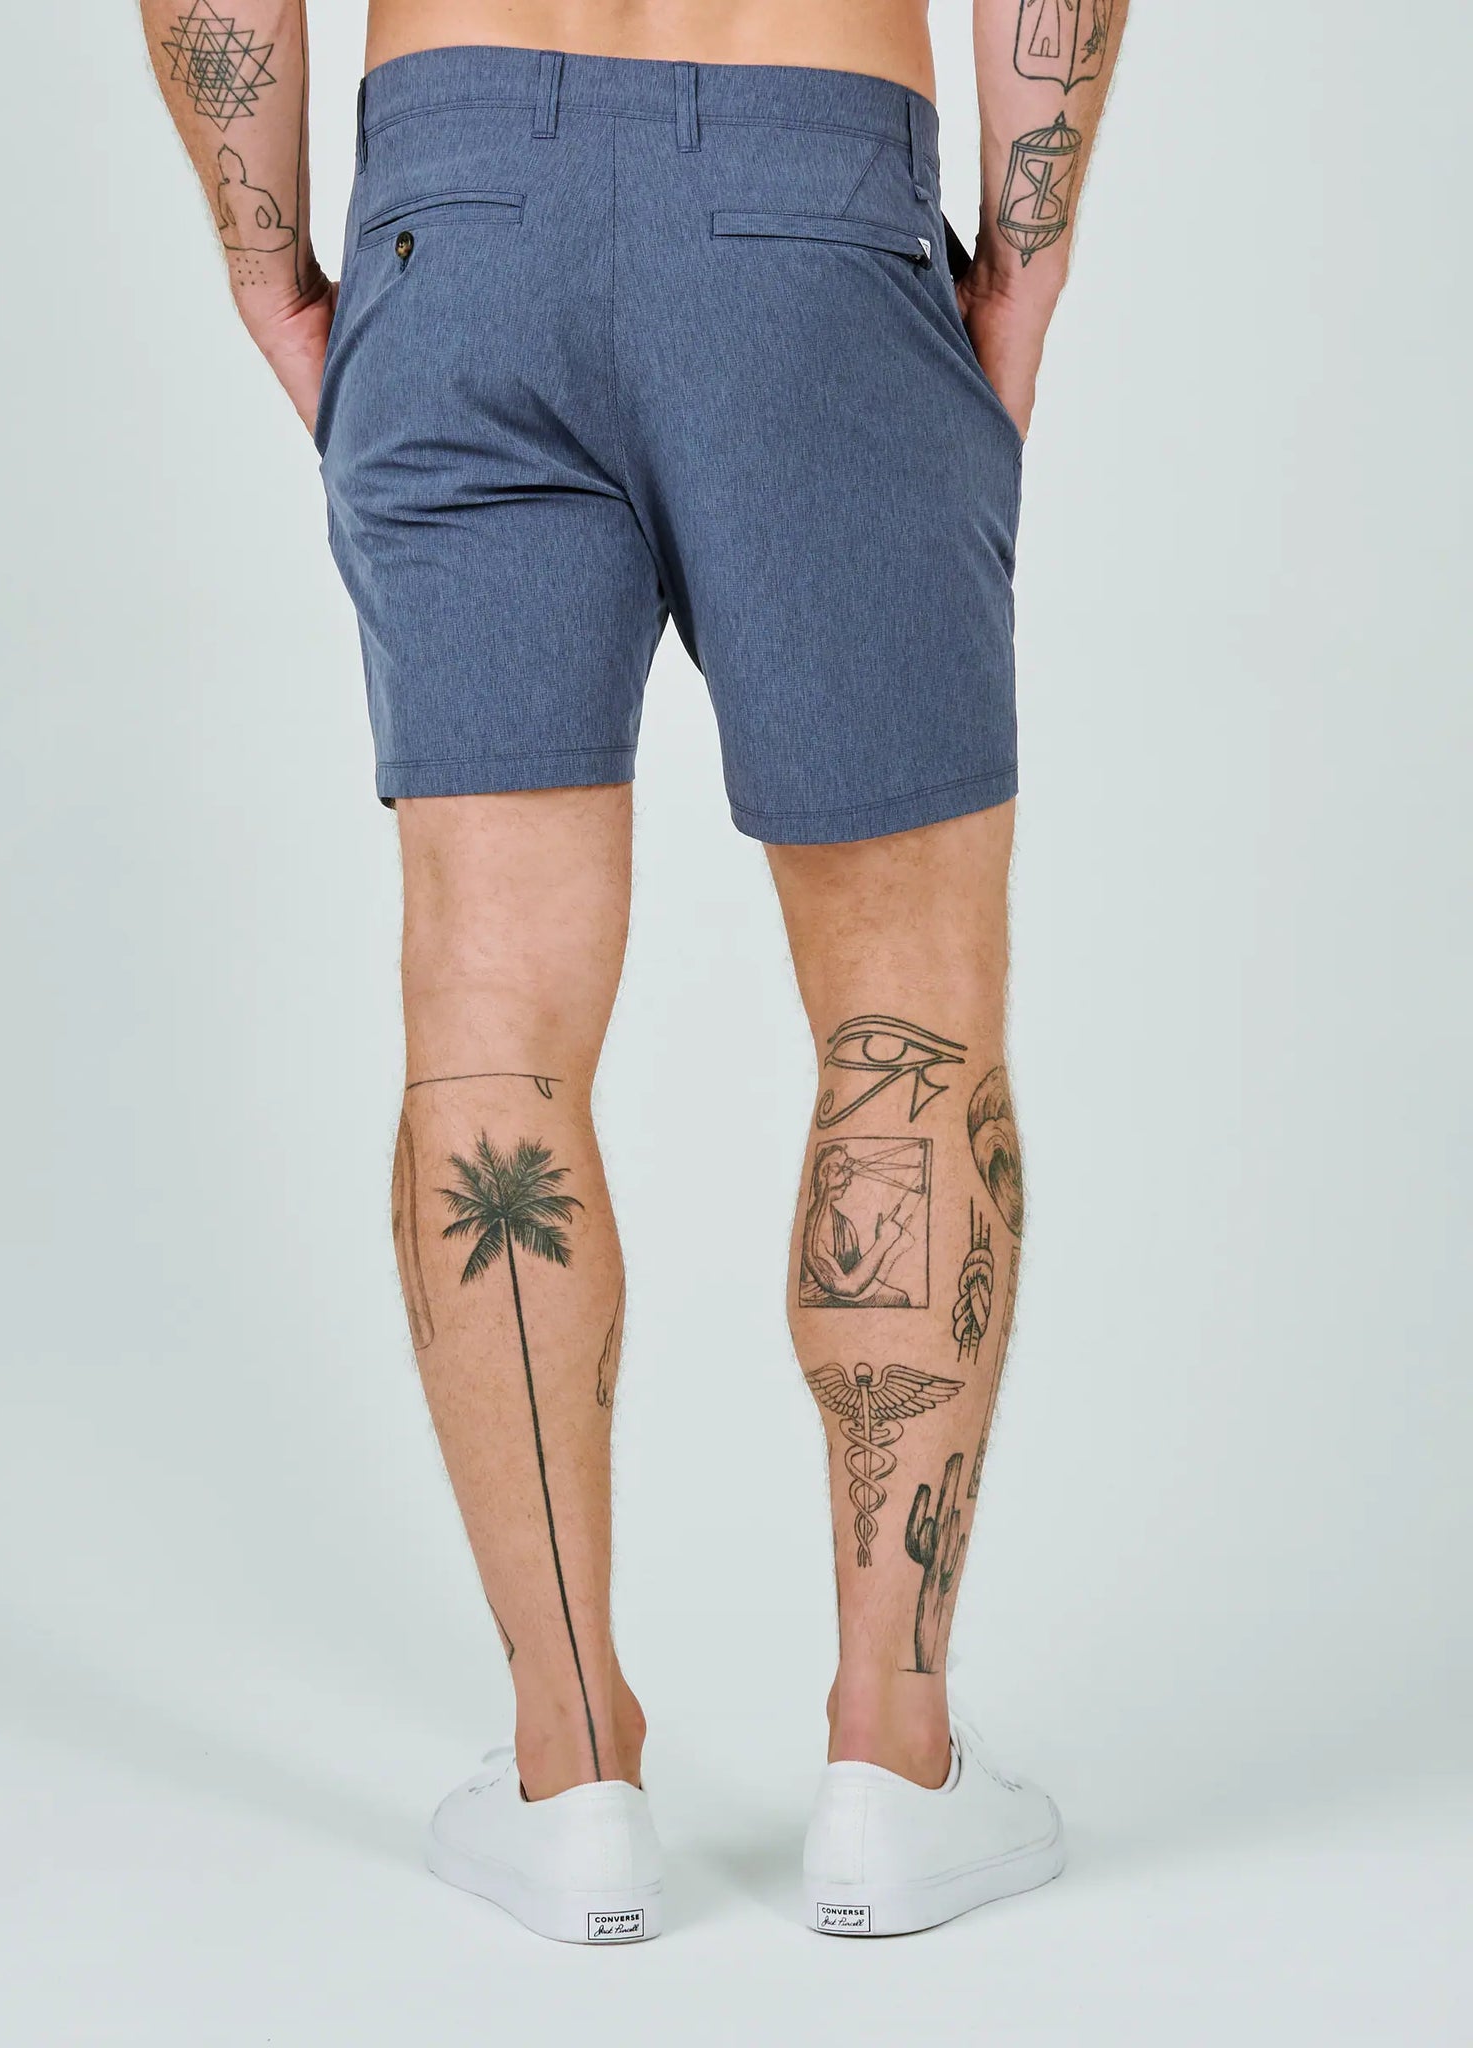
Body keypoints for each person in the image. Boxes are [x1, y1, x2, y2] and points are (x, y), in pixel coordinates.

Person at [140, 0, 1126, 1945]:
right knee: (906, 1009)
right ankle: (891, 1762)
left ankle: (570, 1768)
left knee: (486, 1021)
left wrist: (268, 261)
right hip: (809, 190)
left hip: (458, 210)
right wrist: (1025, 263)